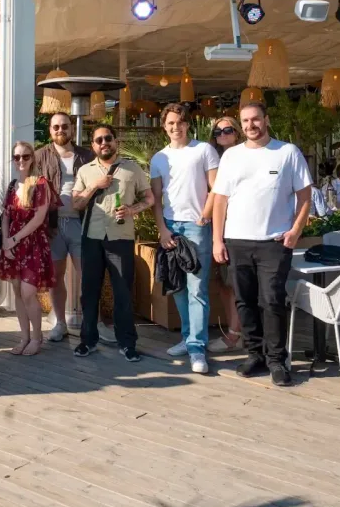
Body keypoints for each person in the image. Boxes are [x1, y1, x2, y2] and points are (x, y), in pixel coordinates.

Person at [212, 101, 312, 387]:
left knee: (272, 301)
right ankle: (254, 354)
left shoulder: (287, 153)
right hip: (237, 240)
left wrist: (295, 231)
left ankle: (277, 360)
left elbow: (305, 196)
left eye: (255, 120)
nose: (250, 126)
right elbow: (220, 200)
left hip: (274, 242)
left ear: (266, 120)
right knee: (244, 300)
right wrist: (218, 239)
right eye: (245, 122)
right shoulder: (232, 156)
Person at [72, 124, 153, 362]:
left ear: (115, 141)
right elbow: (75, 204)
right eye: (98, 140)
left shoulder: (132, 168)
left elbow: (149, 198)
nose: (103, 143)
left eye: (108, 138)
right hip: (92, 237)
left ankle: (127, 343)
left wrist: (131, 210)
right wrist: (94, 186)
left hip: (121, 238)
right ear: (93, 145)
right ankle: (88, 340)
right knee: (89, 292)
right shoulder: (86, 171)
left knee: (123, 293)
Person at [150, 103, 219, 374]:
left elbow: (217, 187)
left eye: (179, 122)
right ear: (164, 126)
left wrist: (204, 216)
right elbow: (156, 199)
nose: (175, 127)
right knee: (177, 286)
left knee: (198, 289)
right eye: (170, 123)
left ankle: (197, 348)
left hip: (196, 226)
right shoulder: (159, 158)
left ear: (187, 123)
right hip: (171, 227)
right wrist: (162, 229)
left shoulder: (204, 150)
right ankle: (188, 338)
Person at [35, 112, 94, 342]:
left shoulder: (86, 156)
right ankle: (60, 323)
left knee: (87, 274)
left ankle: (92, 322)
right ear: (50, 130)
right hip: (53, 226)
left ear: (71, 128)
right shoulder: (40, 156)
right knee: (56, 276)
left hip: (82, 223)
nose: (60, 130)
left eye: (64, 126)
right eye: (56, 127)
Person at [0, 142, 54, 355]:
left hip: (32, 244)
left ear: (33, 158)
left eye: (26, 156)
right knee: (17, 292)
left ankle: (37, 338)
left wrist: (14, 239)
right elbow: (6, 216)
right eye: (17, 157)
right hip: (12, 244)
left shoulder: (40, 184)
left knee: (29, 292)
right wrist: (5, 240)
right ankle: (24, 337)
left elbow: (39, 218)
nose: (21, 161)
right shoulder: (13, 185)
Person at [205, 116, 243, 354]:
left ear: (237, 132)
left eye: (228, 130)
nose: (223, 135)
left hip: (238, 227)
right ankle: (235, 331)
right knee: (223, 282)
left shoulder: (244, 156)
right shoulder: (215, 158)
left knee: (236, 283)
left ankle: (235, 334)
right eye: (218, 132)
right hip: (218, 227)